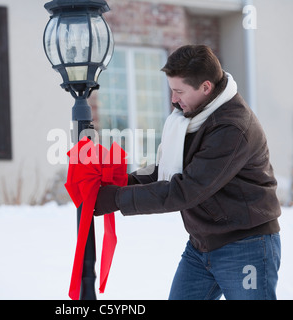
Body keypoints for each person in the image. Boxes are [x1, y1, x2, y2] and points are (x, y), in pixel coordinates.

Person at [94, 45, 281, 300]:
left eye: (179, 91)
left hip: (245, 247)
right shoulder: (191, 117)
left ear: (205, 87)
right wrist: (125, 182)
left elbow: (187, 188)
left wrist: (117, 199)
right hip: (201, 246)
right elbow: (167, 168)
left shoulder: (232, 129)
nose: (173, 99)